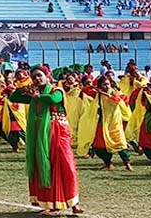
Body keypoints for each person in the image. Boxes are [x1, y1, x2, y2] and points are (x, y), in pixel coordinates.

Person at [9, 68, 82, 215]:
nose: (37, 79)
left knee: (66, 166)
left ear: (47, 76)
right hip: (41, 134)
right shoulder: (34, 94)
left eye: (39, 75)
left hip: (59, 132)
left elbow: (52, 100)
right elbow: (14, 97)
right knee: (45, 166)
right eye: (34, 77)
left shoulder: (57, 90)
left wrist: (36, 96)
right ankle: (50, 203)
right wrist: (24, 87)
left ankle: (74, 203)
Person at [76, 76, 133, 172]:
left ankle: (127, 164)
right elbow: (85, 90)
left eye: (108, 84)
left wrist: (103, 93)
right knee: (99, 146)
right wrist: (93, 87)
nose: (107, 86)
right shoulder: (97, 94)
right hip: (102, 123)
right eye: (104, 84)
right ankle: (108, 163)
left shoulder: (115, 92)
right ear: (100, 85)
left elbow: (116, 100)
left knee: (120, 144)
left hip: (114, 123)